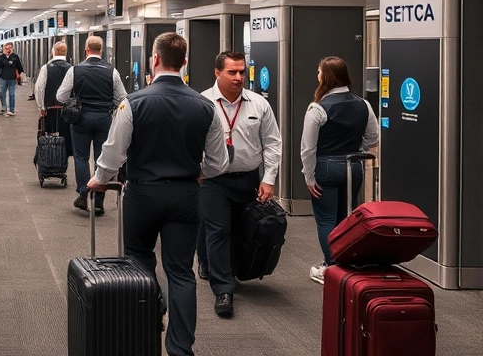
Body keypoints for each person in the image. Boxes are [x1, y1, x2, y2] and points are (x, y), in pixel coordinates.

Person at [88, 32, 229, 356]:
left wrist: (99, 180)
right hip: (185, 197)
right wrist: (197, 174)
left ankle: (144, 332)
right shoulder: (206, 107)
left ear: (155, 60)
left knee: (138, 262)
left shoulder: (133, 103)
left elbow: (113, 154)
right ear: (185, 62)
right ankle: (180, 349)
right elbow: (219, 164)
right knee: (181, 272)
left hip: (142, 196)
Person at [196, 51, 282, 318]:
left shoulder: (258, 104)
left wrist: (269, 179)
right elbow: (191, 140)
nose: (238, 77)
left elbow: (272, 143)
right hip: (213, 180)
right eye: (232, 72)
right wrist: (195, 170)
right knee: (218, 229)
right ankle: (224, 289)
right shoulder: (202, 103)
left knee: (240, 229)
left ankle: (213, 262)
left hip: (248, 179)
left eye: (242, 72)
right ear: (217, 73)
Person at [300, 56, 380, 284]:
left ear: (326, 77)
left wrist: (309, 175)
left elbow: (308, 148)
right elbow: (373, 137)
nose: (317, 76)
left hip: (326, 167)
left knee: (326, 220)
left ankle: (332, 268)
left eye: (319, 72)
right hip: (354, 166)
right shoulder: (363, 104)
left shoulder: (318, 108)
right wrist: (357, 148)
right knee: (347, 218)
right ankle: (348, 263)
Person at [57, 35, 127, 216]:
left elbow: (61, 96)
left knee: (81, 157)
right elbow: (122, 99)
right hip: (104, 118)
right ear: (101, 50)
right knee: (100, 158)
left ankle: (83, 193)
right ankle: (98, 201)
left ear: (86, 49)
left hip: (81, 118)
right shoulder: (112, 71)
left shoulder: (75, 70)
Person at [34, 41, 73, 160]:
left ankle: (50, 159)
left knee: (49, 135)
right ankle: (62, 161)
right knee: (65, 137)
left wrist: (41, 107)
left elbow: (39, 88)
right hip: (67, 110)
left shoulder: (46, 68)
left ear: (53, 52)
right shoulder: (72, 69)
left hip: (50, 109)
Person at [0, 42, 24, 116]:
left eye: (10, 48)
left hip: (12, 79)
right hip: (3, 78)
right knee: (2, 94)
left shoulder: (15, 57)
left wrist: (19, 75)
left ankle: (11, 109)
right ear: (4, 48)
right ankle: (4, 107)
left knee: (12, 94)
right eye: (6, 48)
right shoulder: (1, 57)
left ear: (12, 48)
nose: (8, 50)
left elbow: (19, 67)